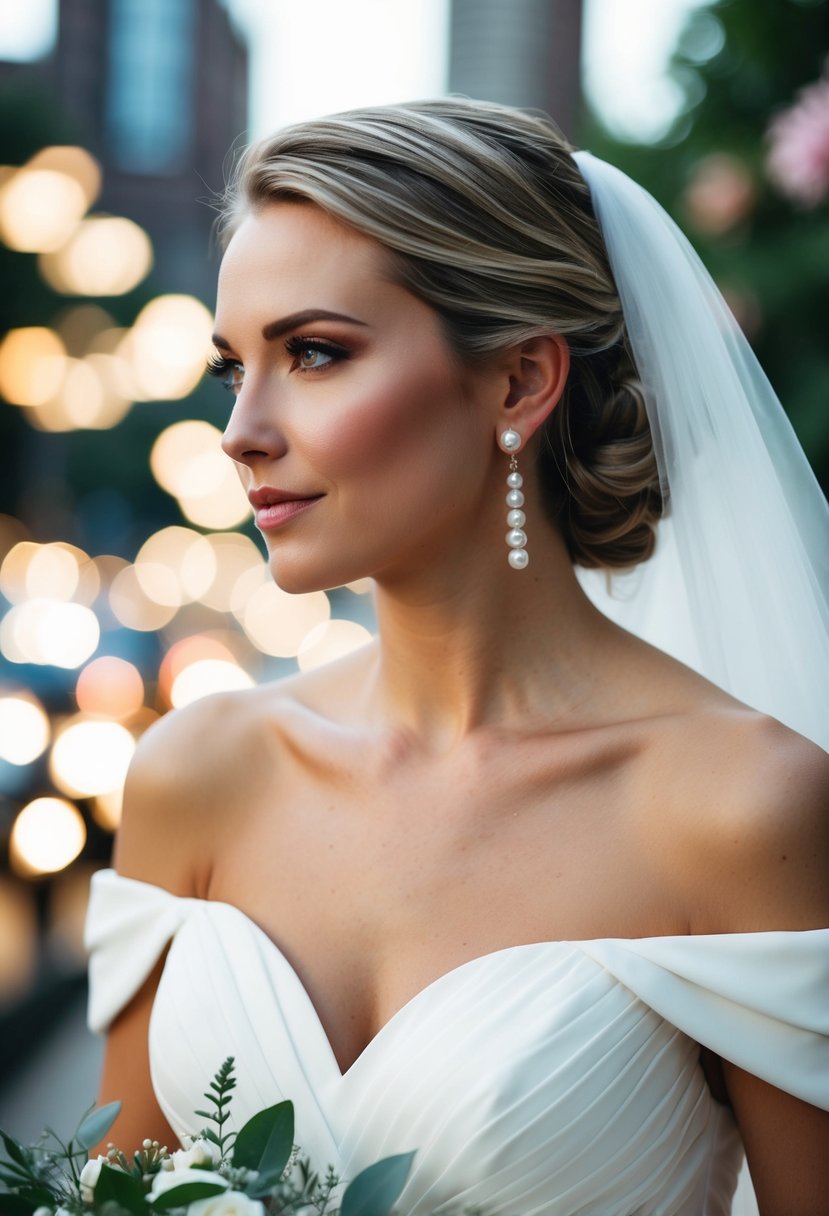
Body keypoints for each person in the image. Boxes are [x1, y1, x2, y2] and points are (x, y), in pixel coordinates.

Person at [85, 99, 829, 1216]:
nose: (241, 429)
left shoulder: (739, 806)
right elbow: (110, 1193)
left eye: (316, 353)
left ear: (520, 382)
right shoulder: (197, 773)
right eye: (230, 368)